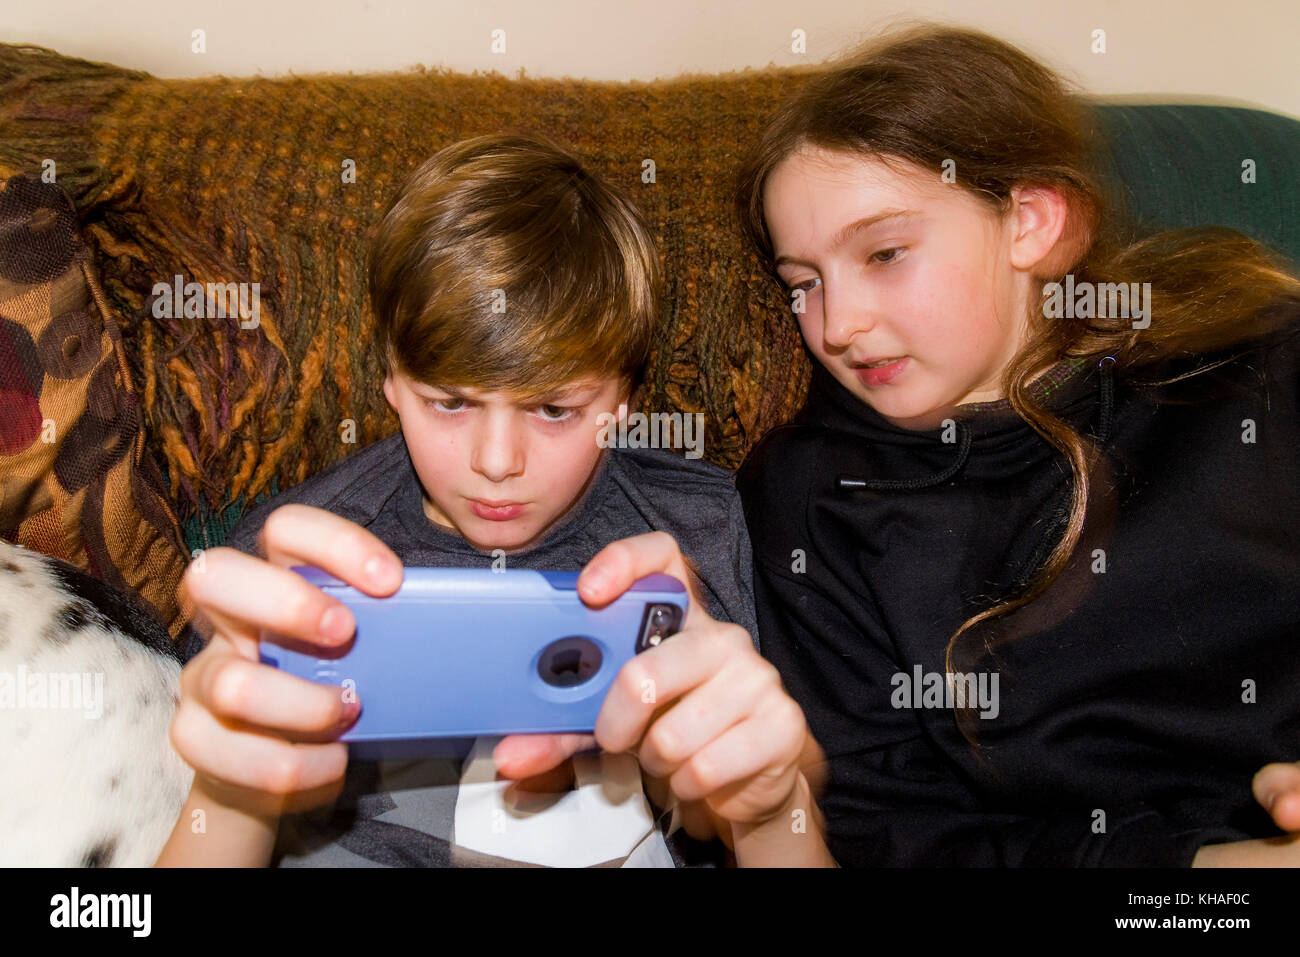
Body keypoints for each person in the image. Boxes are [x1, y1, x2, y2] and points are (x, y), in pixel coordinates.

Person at [156, 133, 833, 867]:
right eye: (449, 402)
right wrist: (226, 800)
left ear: (627, 399)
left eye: (554, 410)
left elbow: (789, 787)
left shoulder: (710, 533)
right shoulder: (290, 574)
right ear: (391, 380)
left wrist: (775, 804)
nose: (496, 462)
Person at [732, 24, 1300, 866]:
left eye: (885, 253)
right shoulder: (812, 499)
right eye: (803, 285)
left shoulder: (1254, 354)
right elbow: (896, 829)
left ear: (1029, 223)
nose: (837, 325)